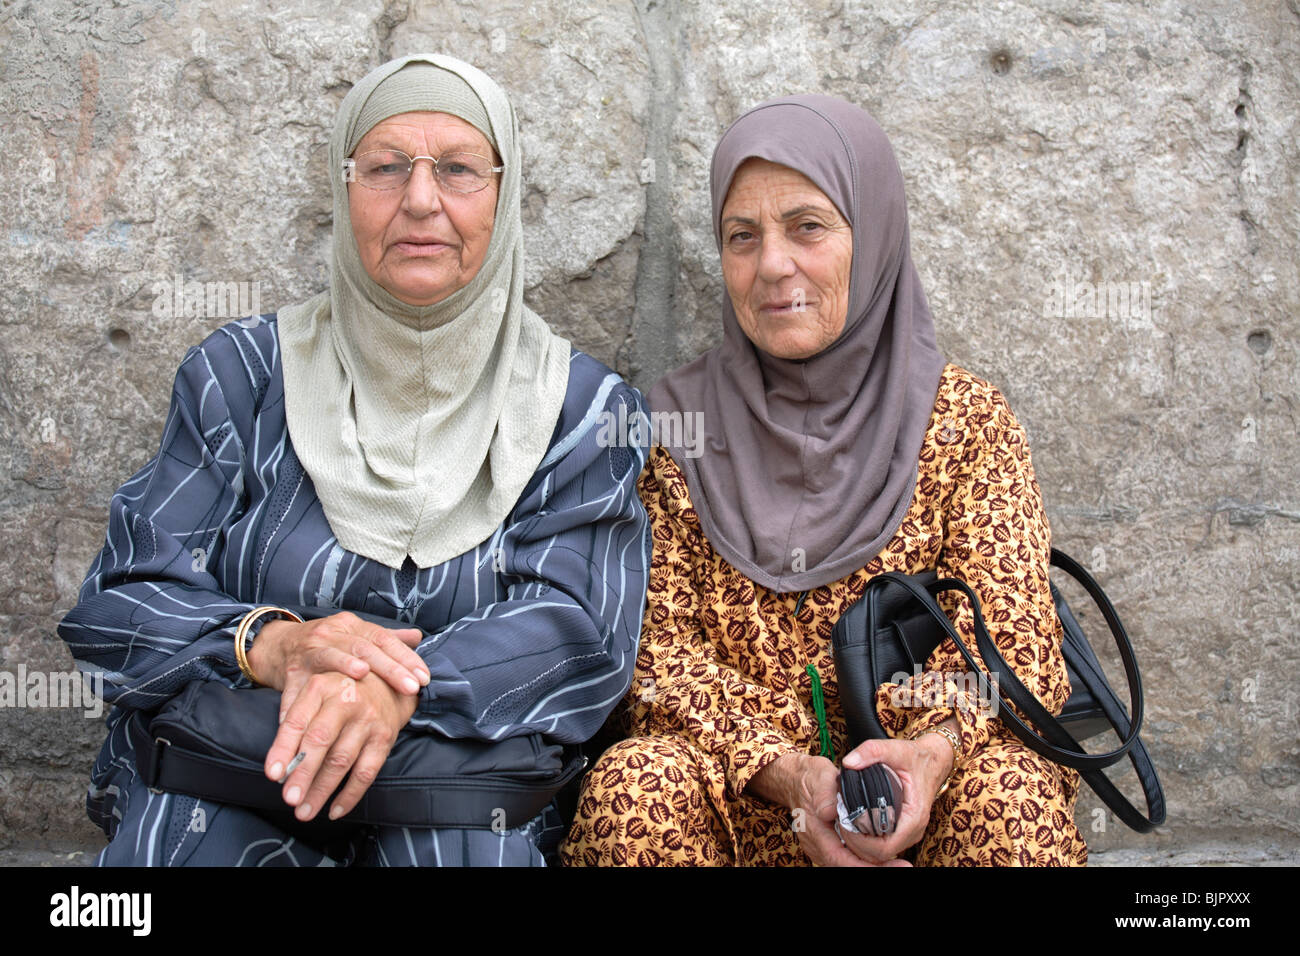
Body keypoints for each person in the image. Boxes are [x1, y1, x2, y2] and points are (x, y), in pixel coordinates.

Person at [58, 53, 651, 867]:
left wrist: (396, 687)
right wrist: (270, 645)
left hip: (458, 797)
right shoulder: (241, 376)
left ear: (504, 196)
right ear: (343, 191)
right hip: (237, 774)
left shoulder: (580, 412)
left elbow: (580, 634)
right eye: (383, 167)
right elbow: (118, 603)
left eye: (457, 169)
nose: (419, 199)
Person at [560, 95, 1088, 867]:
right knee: (635, 786)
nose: (773, 264)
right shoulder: (676, 424)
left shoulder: (968, 423)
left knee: (1012, 802)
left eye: (807, 226)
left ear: (870, 235)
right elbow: (652, 653)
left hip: (922, 802)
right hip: (745, 802)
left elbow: (1015, 639)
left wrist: (925, 762)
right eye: (742, 237)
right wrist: (792, 779)